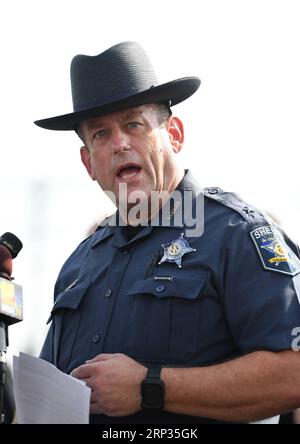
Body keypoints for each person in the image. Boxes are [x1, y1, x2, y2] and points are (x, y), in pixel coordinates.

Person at [35, 41, 300, 424]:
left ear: (173, 134)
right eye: (100, 135)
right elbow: (49, 399)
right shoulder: (80, 263)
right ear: (88, 162)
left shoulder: (235, 234)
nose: (120, 144)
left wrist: (150, 386)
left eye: (133, 124)